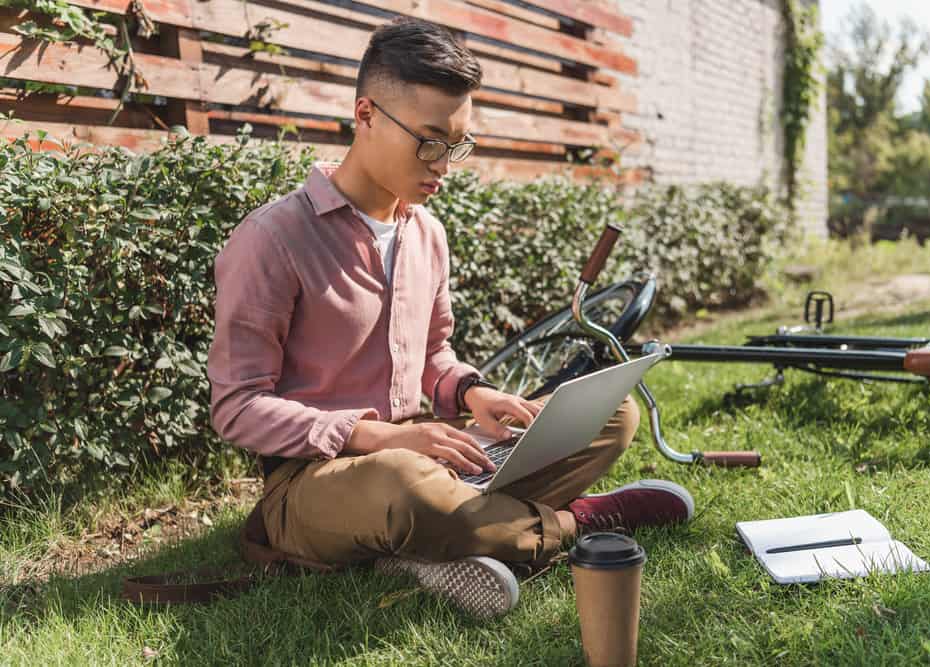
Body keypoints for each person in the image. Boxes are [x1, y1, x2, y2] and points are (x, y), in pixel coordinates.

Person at [207, 16, 694, 619]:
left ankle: (430, 542)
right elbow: (237, 406)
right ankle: (577, 521)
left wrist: (474, 394)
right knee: (404, 489)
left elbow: (433, 359)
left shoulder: (428, 234)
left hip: (429, 452)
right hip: (316, 483)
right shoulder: (272, 239)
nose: (444, 163)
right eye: (430, 140)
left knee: (608, 415)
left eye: (457, 145)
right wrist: (378, 437)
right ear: (366, 116)